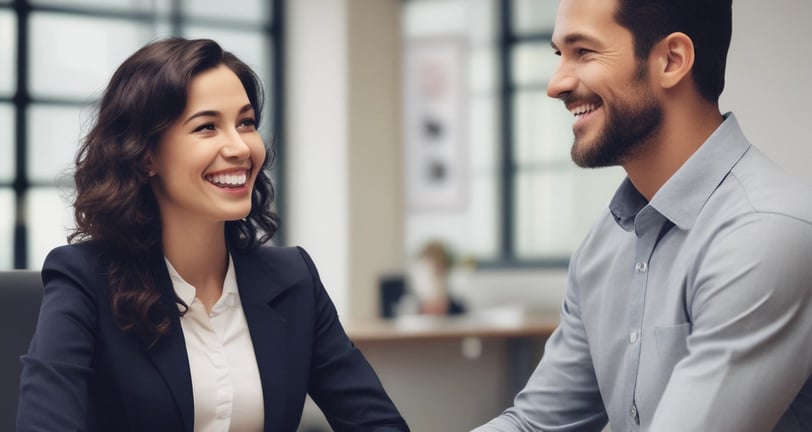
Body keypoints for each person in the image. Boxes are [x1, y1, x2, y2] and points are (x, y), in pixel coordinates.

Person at [17, 37, 409, 432]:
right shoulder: (85, 279)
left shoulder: (293, 279)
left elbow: (378, 424)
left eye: (246, 122)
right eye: (207, 127)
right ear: (145, 155)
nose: (240, 147)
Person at [474, 0, 812, 431]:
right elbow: (535, 425)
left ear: (671, 60)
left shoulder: (766, 232)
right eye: (560, 54)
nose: (556, 84)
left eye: (584, 52)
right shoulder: (604, 244)